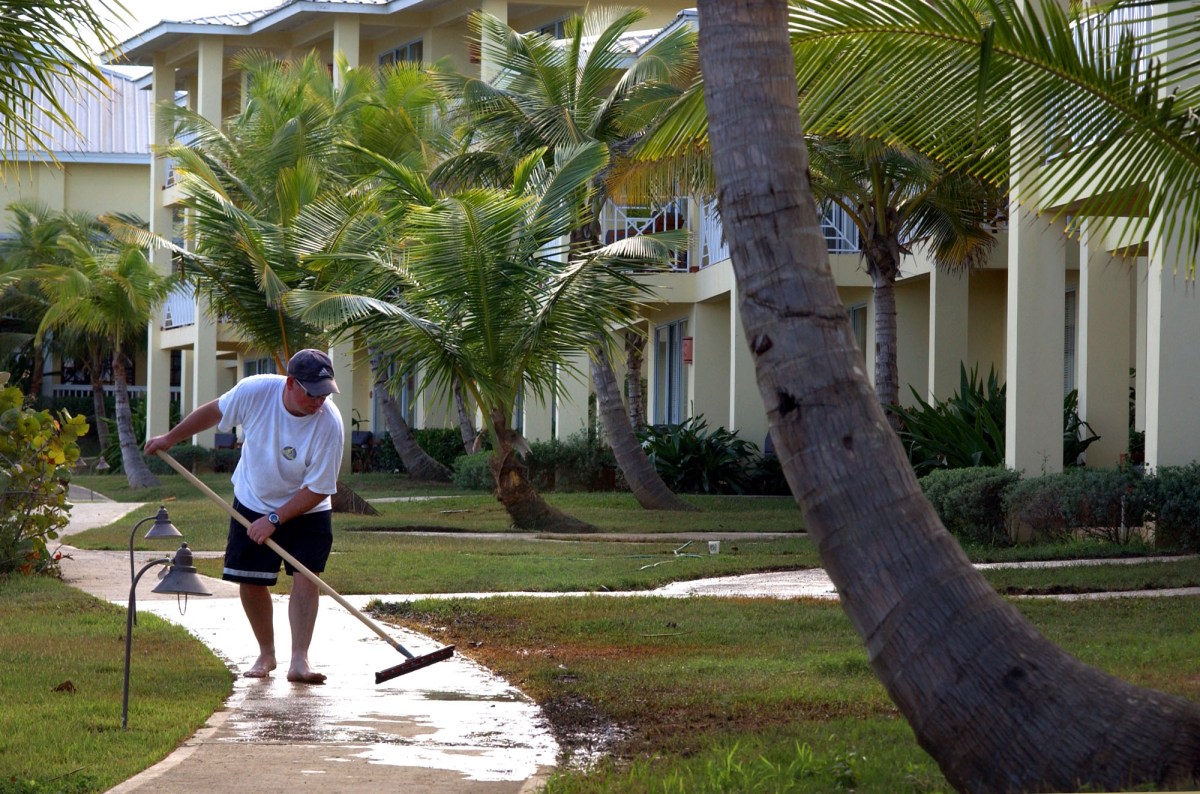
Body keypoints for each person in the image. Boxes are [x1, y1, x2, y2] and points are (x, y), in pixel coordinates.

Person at [145, 349, 344, 684]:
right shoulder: (256, 391)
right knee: (250, 580)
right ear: (291, 384)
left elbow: (320, 489)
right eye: (313, 393)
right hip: (254, 497)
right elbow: (213, 413)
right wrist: (170, 438)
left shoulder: (329, 424)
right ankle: (266, 654)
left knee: (306, 577)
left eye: (326, 392)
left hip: (307, 507)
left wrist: (276, 520)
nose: (319, 401)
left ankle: (300, 661)